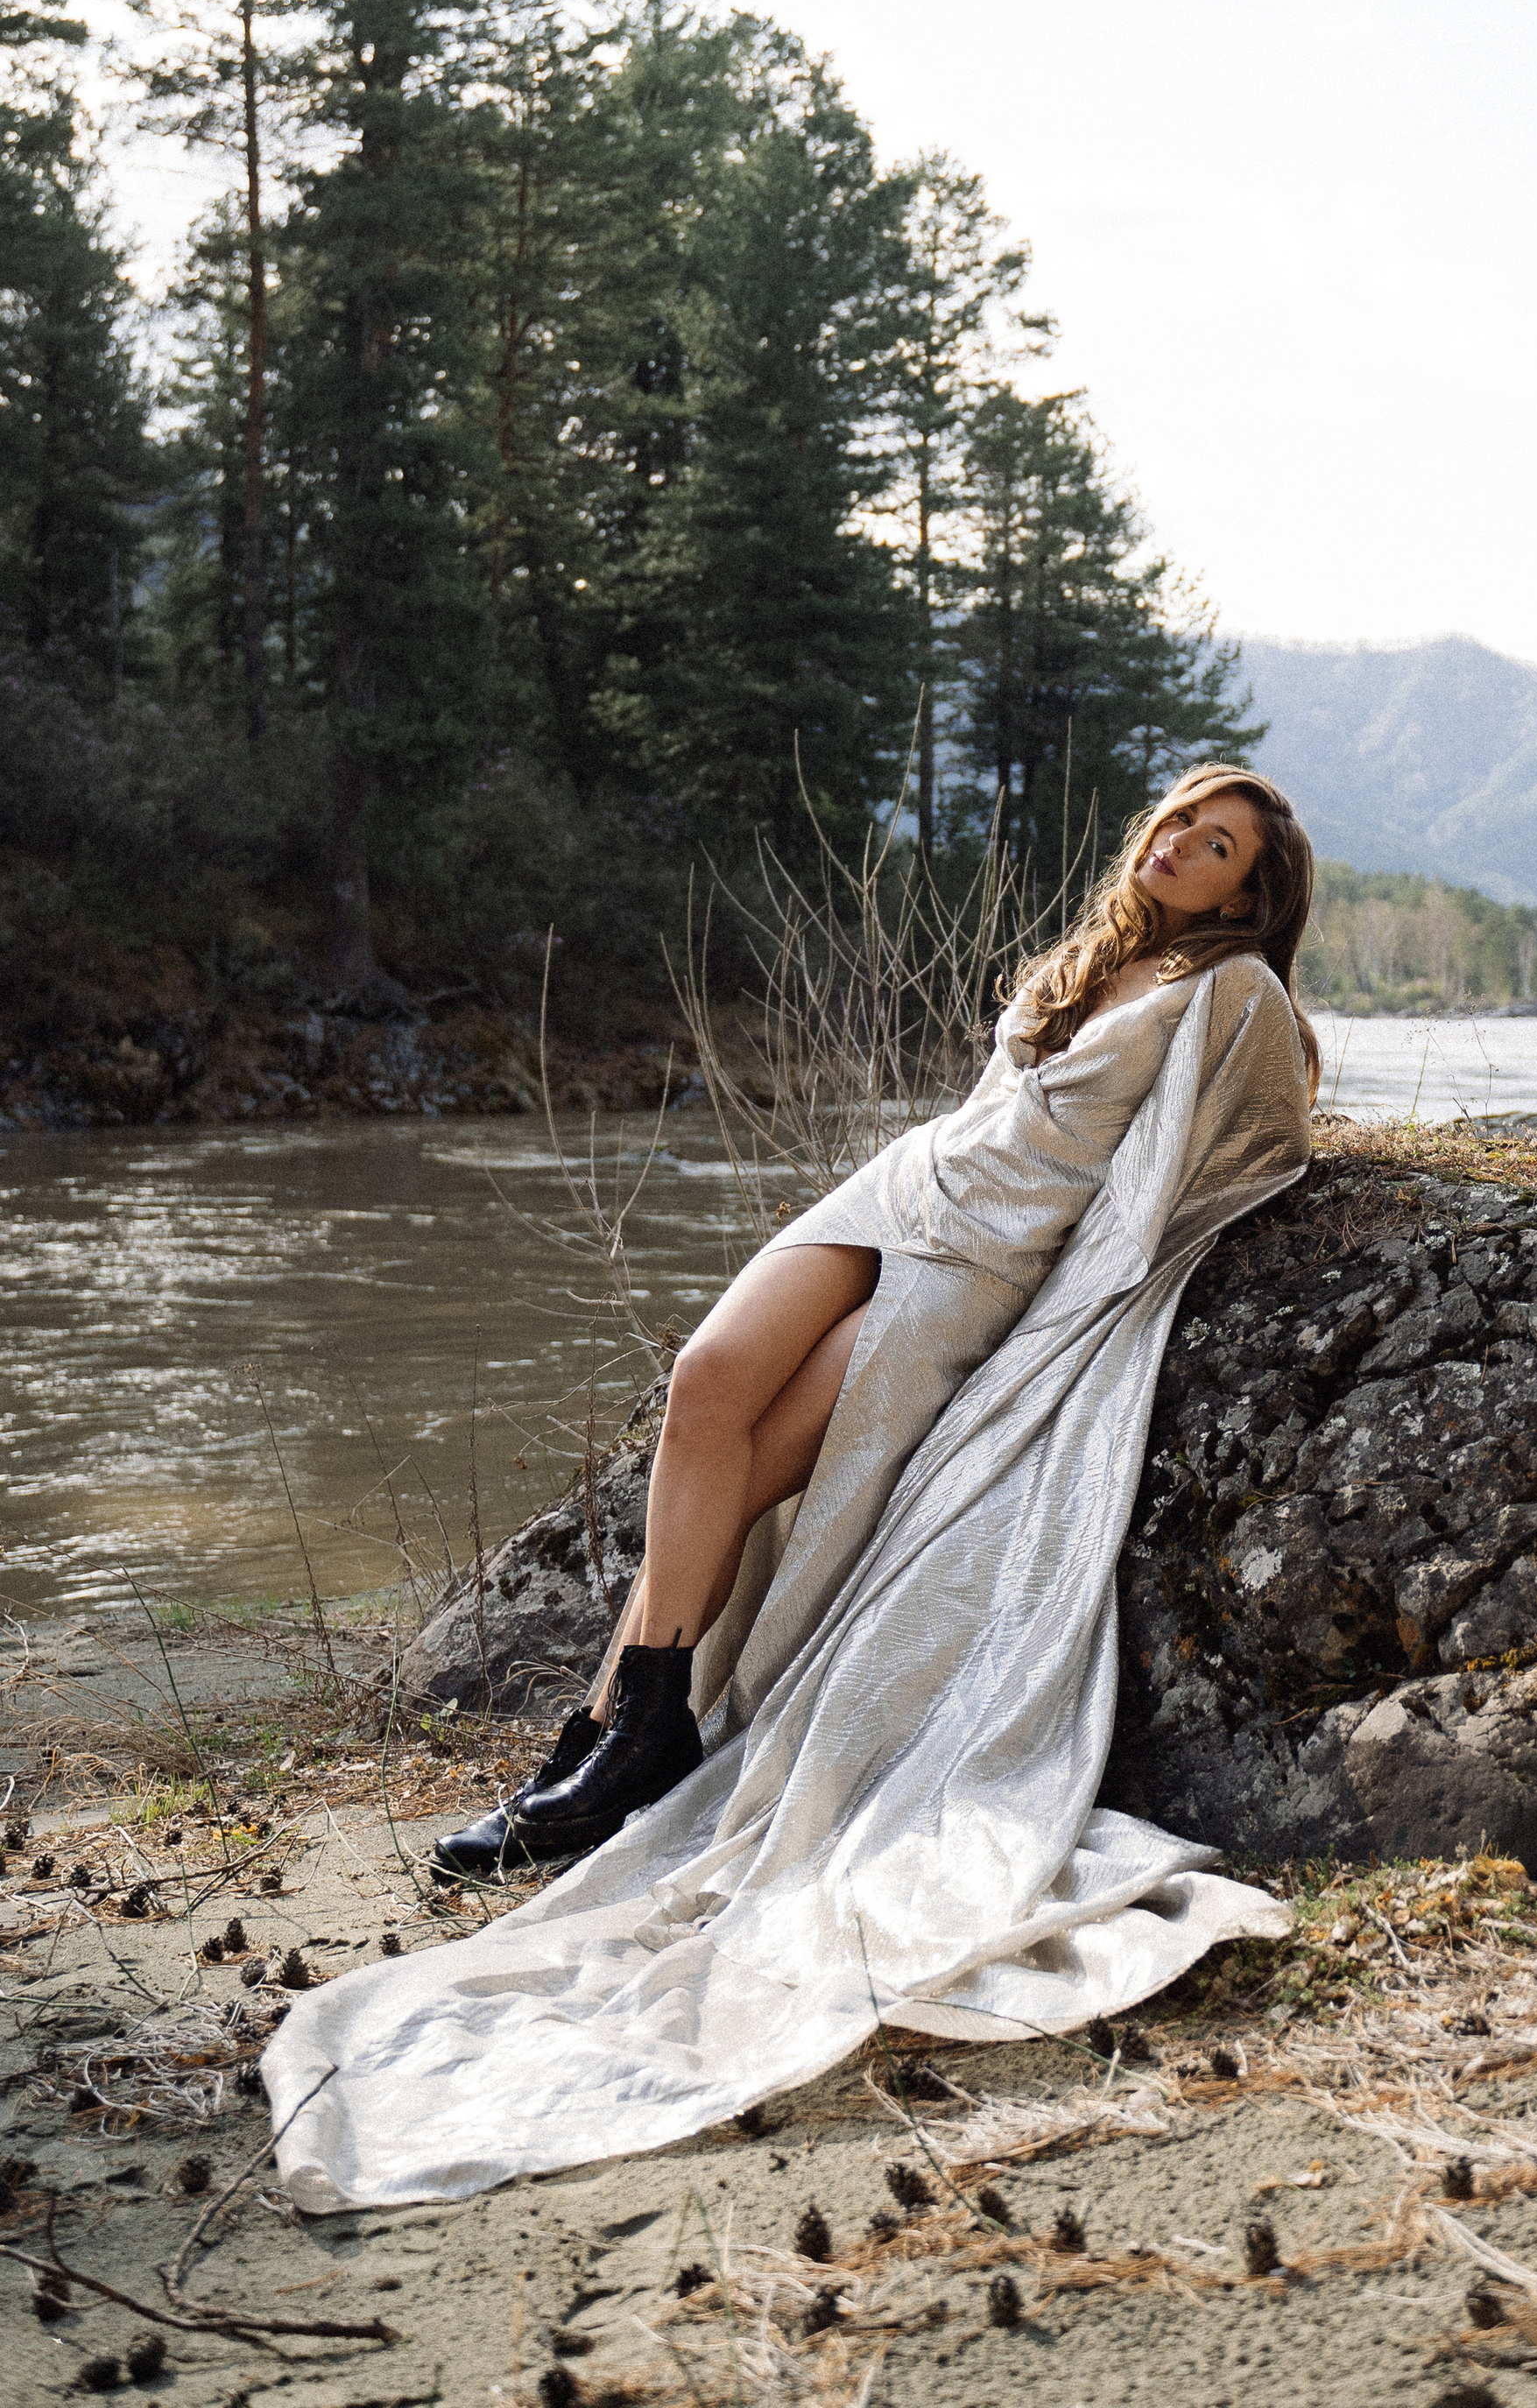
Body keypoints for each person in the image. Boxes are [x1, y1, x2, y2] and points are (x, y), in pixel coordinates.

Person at [268, 767, 1319, 2209]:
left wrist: (1106, 1292)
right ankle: (639, 1723)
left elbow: (1270, 1130)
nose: (1183, 843)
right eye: (1183, 818)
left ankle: (615, 1741)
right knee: (705, 1386)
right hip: (905, 1187)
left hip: (982, 1261)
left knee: (761, 1473)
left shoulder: (1233, 990)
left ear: (1252, 893)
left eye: (1220, 844)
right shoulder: (1093, 955)